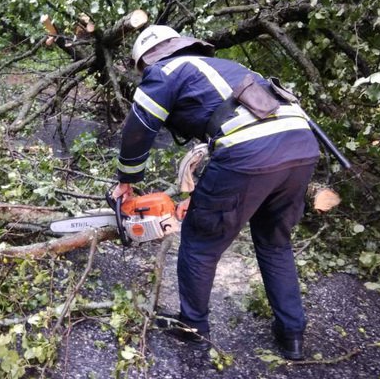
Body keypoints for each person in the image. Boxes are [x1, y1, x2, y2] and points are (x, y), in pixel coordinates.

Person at [111, 25, 320, 360]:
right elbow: (228, 131)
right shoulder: (229, 68)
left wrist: (127, 179)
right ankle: (292, 333)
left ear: (148, 59)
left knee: (199, 241)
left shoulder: (165, 70)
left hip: (250, 151)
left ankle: (193, 327)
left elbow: (139, 129)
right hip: (302, 144)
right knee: (275, 242)